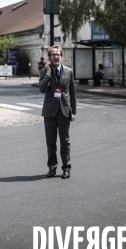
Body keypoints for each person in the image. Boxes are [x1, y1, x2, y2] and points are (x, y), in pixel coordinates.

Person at [39, 45, 77, 179]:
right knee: (50, 142)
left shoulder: (68, 71)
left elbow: (72, 93)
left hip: (64, 110)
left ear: (61, 56)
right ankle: (52, 167)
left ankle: (66, 168)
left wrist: (73, 111)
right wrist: (48, 73)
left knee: (65, 141)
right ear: (49, 57)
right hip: (49, 111)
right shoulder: (44, 71)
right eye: (53, 54)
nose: (56, 56)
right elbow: (42, 89)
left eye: (58, 54)